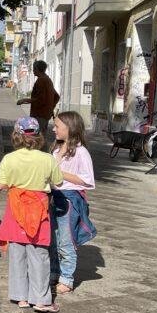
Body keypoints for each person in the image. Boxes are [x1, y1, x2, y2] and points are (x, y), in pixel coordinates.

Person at [0, 116, 64, 313]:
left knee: (17, 254)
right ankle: (40, 300)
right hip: (39, 210)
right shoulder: (47, 159)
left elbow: (1, 185)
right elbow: (58, 182)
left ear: (16, 135)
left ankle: (20, 297)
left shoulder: (9, 159)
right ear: (39, 136)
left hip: (16, 209)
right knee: (40, 256)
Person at [50, 111, 96, 294]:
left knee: (66, 240)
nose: (54, 129)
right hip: (53, 197)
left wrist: (60, 175)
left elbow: (88, 180)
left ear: (69, 128)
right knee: (52, 238)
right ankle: (54, 272)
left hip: (69, 199)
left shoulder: (80, 152)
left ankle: (67, 278)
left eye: (57, 126)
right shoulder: (56, 149)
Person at [17, 60, 60, 144]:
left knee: (36, 138)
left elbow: (40, 99)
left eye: (34, 69)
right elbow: (56, 97)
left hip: (39, 114)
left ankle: (39, 154)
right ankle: (43, 154)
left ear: (37, 69)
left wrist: (24, 100)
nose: (33, 71)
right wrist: (50, 108)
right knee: (42, 136)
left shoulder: (41, 81)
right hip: (46, 114)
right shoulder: (48, 80)